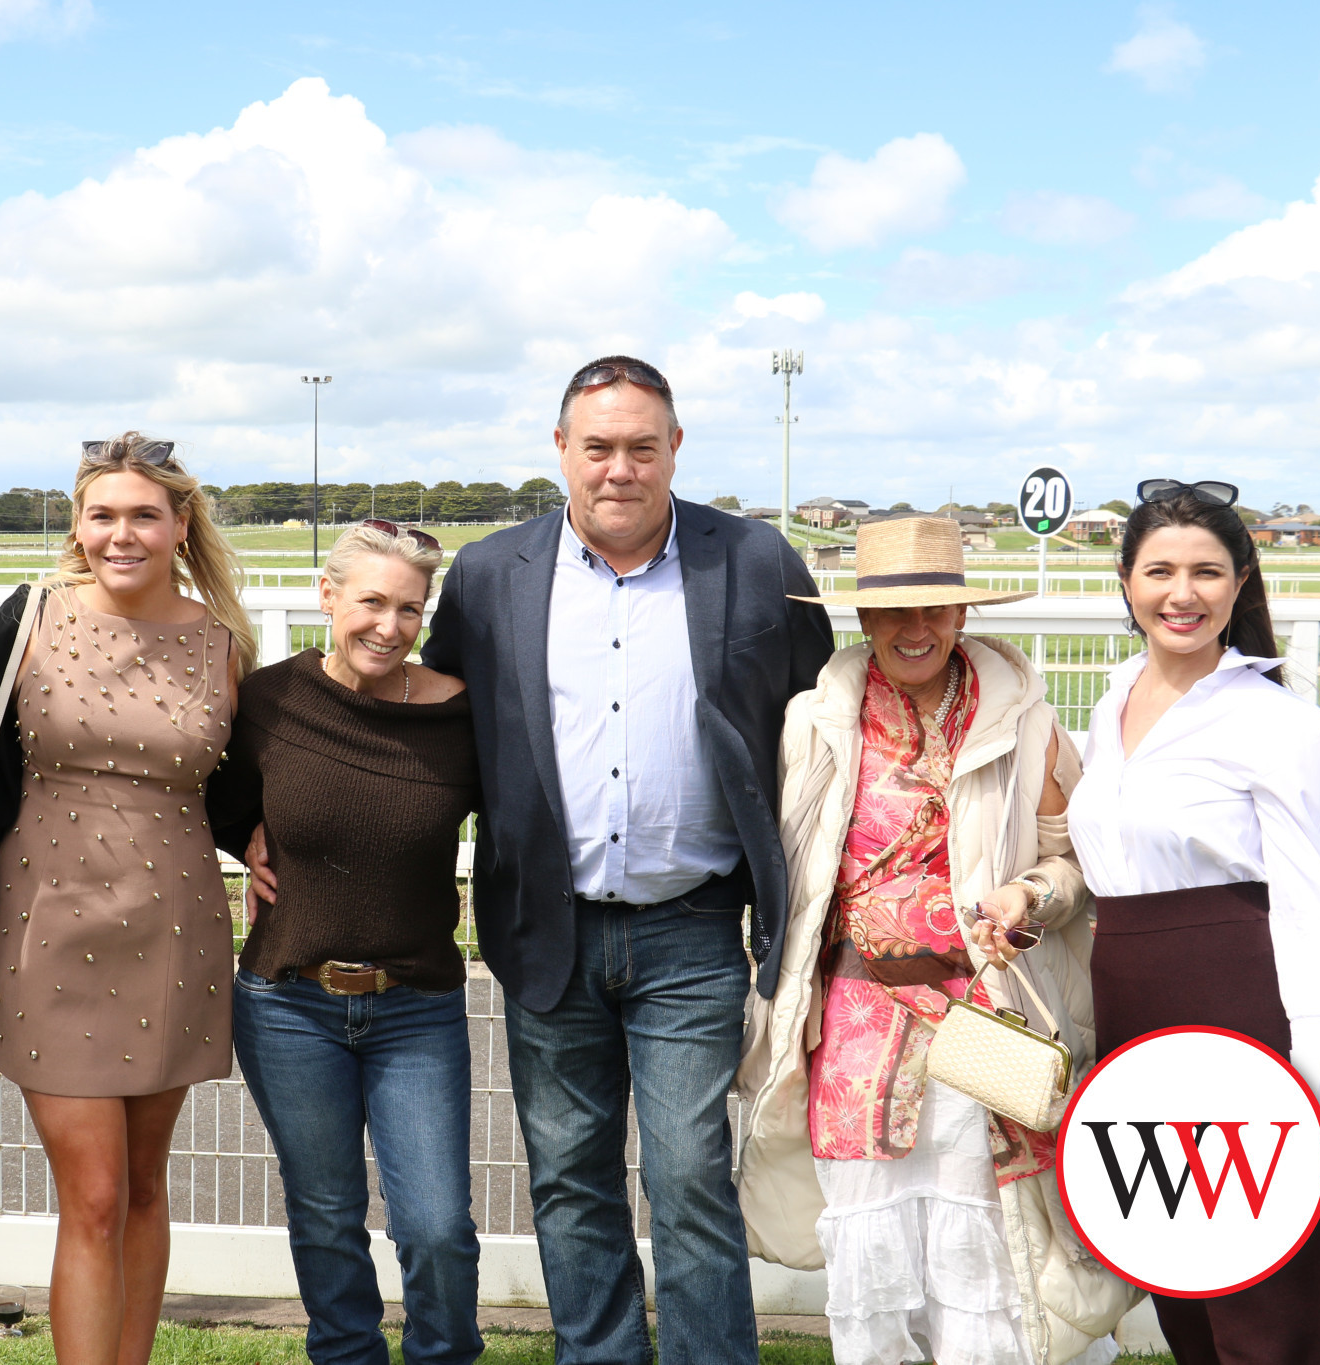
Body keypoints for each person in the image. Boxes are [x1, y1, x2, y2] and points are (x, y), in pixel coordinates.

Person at [414, 356, 835, 1363]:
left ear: (674, 450)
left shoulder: (756, 561)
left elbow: (828, 723)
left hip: (690, 925)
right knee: (568, 1175)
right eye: (596, 446)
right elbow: (428, 736)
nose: (618, 469)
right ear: (560, 450)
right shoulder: (486, 576)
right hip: (543, 928)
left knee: (689, 1172)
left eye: (640, 447)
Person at [736, 515, 1137, 1365]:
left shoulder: (1026, 723)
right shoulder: (815, 722)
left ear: (962, 617)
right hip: (852, 1024)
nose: (915, 629)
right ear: (864, 620)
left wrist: (1028, 894)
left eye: (935, 610)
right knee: (872, 1247)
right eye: (894, 612)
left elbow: (1073, 864)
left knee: (983, 1240)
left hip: (978, 1015)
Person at [1068, 480, 1320, 1362]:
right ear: (1126, 580)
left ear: (1243, 582)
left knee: (1270, 1281)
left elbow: (1307, 905)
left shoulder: (1281, 724)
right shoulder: (1109, 706)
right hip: (1131, 1006)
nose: (1183, 592)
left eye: (1208, 572)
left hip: (1237, 1005)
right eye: (1161, 570)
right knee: (1178, 1258)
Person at [0, 433, 256, 1365]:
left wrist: (264, 838)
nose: (121, 533)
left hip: (174, 923)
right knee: (91, 1193)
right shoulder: (27, 619)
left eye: (144, 514)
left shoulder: (225, 643)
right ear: (78, 523)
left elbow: (245, 784)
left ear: (181, 525)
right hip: (47, 920)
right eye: (103, 514)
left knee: (142, 1184)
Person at [210, 520, 481, 1365]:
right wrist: (244, 837)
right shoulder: (269, 700)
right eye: (370, 601)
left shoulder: (462, 717)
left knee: (436, 1223)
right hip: (288, 1002)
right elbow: (210, 798)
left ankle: (442, 1353)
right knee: (325, 1214)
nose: (388, 626)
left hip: (418, 1005)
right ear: (328, 597)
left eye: (409, 607)